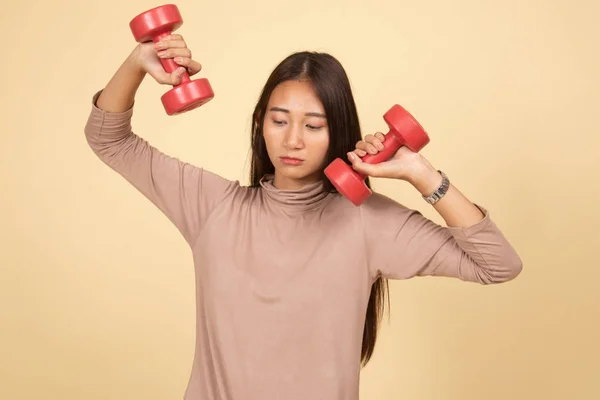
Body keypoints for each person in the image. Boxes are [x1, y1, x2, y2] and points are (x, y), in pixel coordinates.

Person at [84, 34, 523, 400]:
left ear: (338, 132)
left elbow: (497, 264)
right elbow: (109, 140)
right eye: (279, 121)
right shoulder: (212, 206)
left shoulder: (367, 222)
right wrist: (138, 62)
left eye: (313, 126)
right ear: (260, 124)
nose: (293, 139)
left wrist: (420, 173)